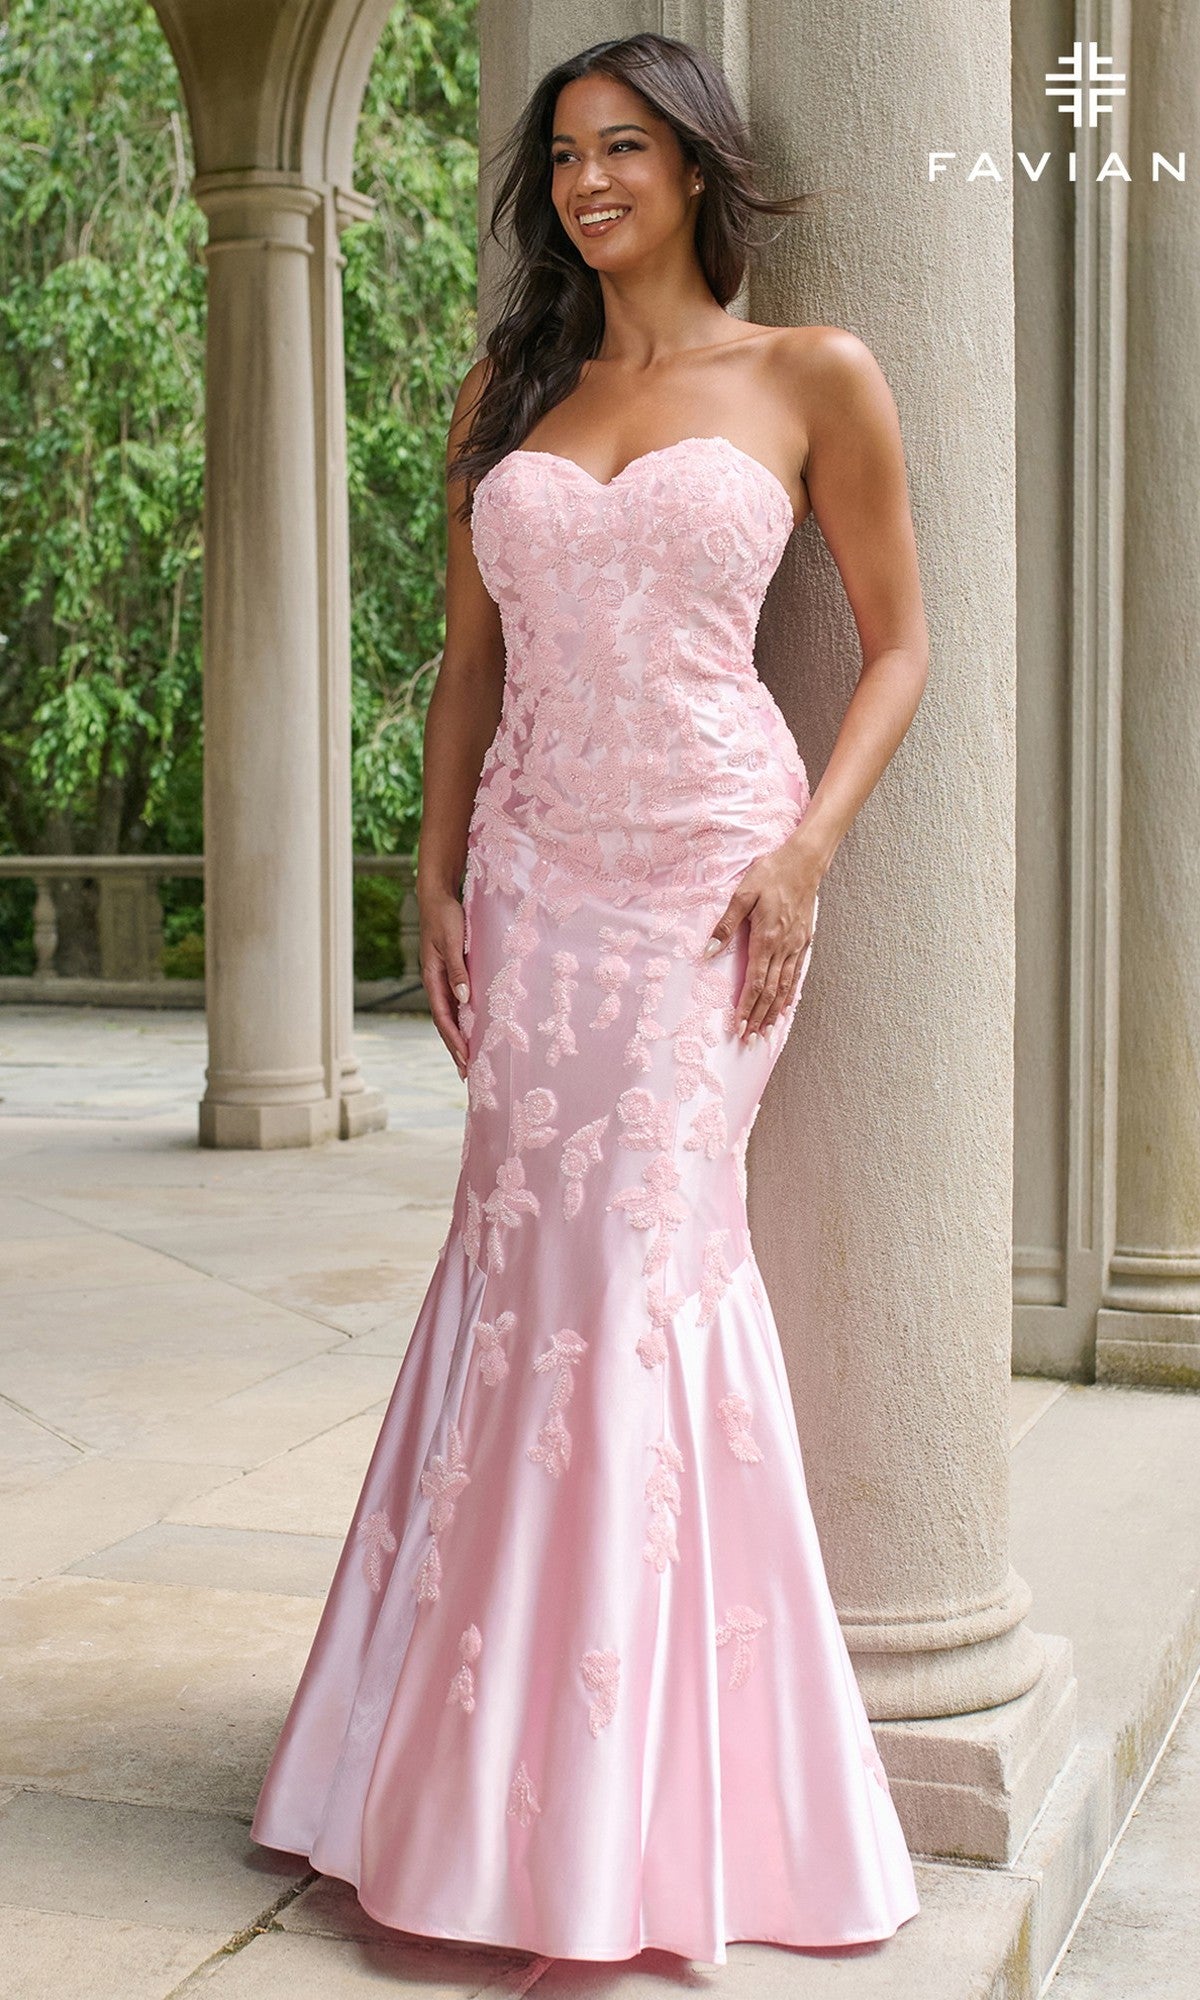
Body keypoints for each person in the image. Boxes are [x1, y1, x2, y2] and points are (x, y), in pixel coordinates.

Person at [250, 30, 929, 1968]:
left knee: (639, 1289)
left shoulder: (814, 381)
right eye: (563, 158)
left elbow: (901, 647)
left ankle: (617, 1848)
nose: (587, 183)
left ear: (702, 169)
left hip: (710, 888)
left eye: (625, 148)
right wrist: (437, 865)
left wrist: (806, 857)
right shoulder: (513, 386)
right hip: (539, 886)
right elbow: (466, 665)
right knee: (521, 1287)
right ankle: (451, 1794)